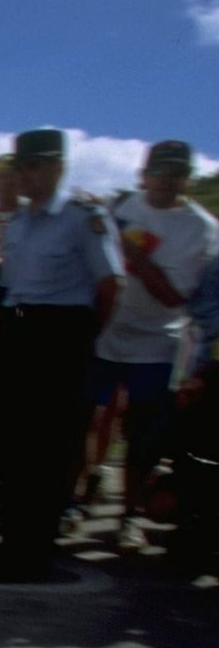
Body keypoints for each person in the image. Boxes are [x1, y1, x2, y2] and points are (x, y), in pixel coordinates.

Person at [0, 126, 123, 582]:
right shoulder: (18, 223)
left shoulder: (83, 216)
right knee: (16, 445)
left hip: (63, 335)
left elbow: (109, 286)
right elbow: (11, 287)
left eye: (34, 165)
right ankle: (12, 541)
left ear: (58, 167)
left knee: (53, 448)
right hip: (20, 332)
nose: (24, 175)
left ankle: (35, 551)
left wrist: (81, 337)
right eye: (20, 167)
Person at [89, 140, 218, 550]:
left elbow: (172, 295)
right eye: (160, 170)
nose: (167, 179)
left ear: (188, 178)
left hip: (158, 341)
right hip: (107, 330)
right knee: (89, 419)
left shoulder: (202, 228)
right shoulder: (119, 207)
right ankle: (76, 498)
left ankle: (129, 515)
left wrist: (130, 249)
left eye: (178, 172)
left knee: (144, 433)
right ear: (144, 173)